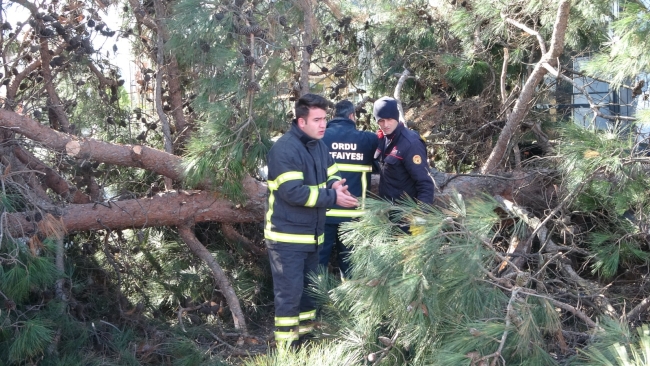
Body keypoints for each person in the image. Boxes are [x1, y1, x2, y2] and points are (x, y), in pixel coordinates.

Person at [264, 93, 358, 346]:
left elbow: (332, 174)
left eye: (324, 118)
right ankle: (286, 354)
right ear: (300, 121)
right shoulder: (284, 149)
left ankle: (304, 347)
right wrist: (332, 196)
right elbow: (293, 192)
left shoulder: (319, 145)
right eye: (317, 120)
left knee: (308, 297)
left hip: (312, 237)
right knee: (289, 298)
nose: (323, 124)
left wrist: (337, 185)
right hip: (286, 240)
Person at [320, 100, 378, 277]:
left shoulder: (321, 138)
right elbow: (381, 166)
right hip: (354, 215)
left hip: (324, 212)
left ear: (333, 116)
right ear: (352, 116)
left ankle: (315, 303)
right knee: (352, 269)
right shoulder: (368, 140)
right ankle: (350, 304)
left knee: (318, 265)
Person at [374, 96, 434, 206]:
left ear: (396, 118)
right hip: (387, 213)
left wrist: (419, 217)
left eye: (389, 119)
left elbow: (425, 184)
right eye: (381, 120)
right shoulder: (382, 139)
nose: (386, 125)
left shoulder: (411, 143)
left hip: (407, 215)